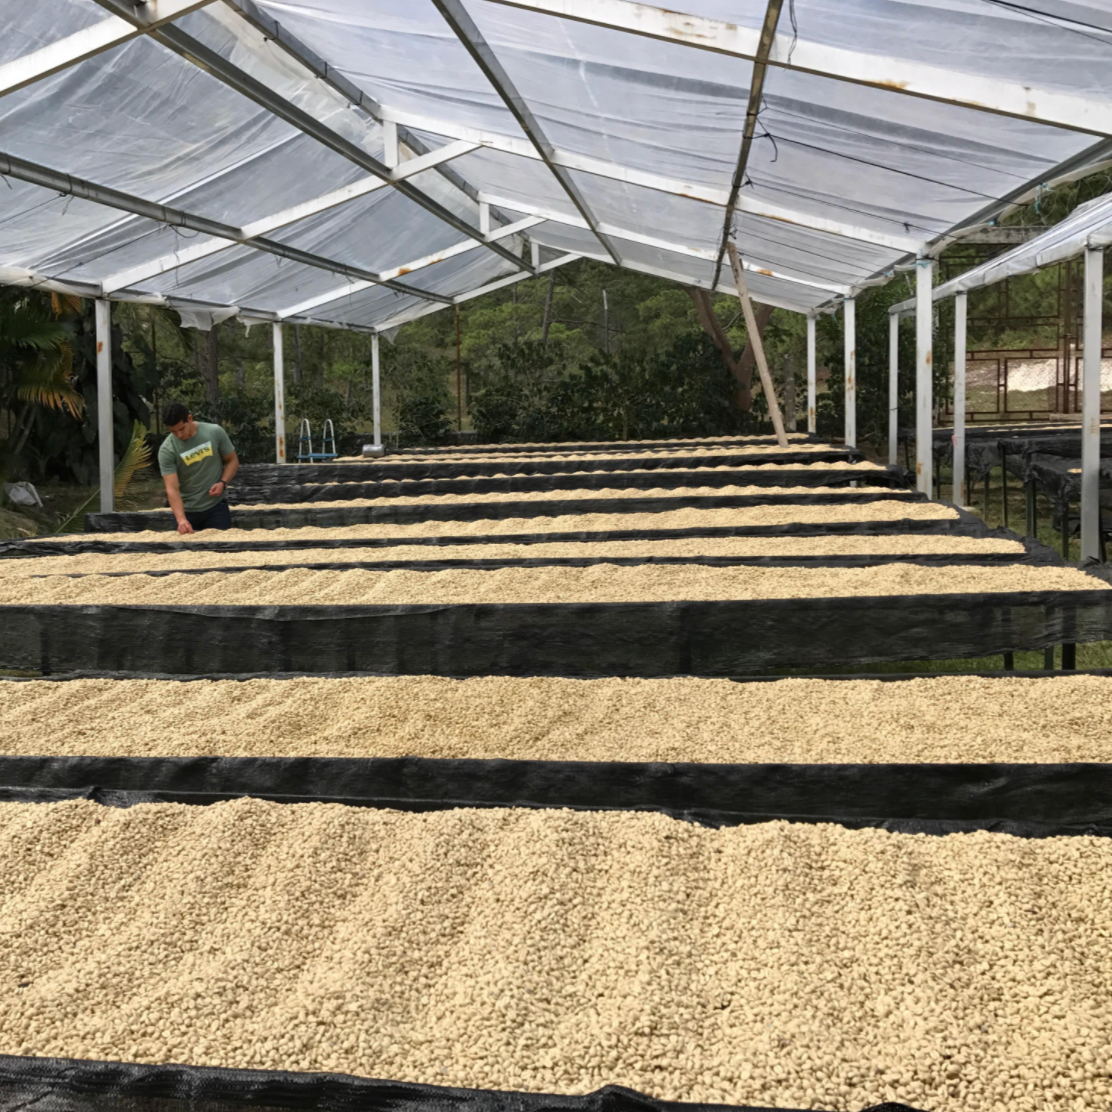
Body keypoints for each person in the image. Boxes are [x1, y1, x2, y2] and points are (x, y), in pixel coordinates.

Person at [158, 403, 239, 534]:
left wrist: (223, 483)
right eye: (173, 431)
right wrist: (181, 519)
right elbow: (172, 488)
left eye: (181, 429)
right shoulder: (167, 450)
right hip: (186, 510)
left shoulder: (214, 432)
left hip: (216, 507)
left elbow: (232, 460)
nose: (179, 435)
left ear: (189, 418)